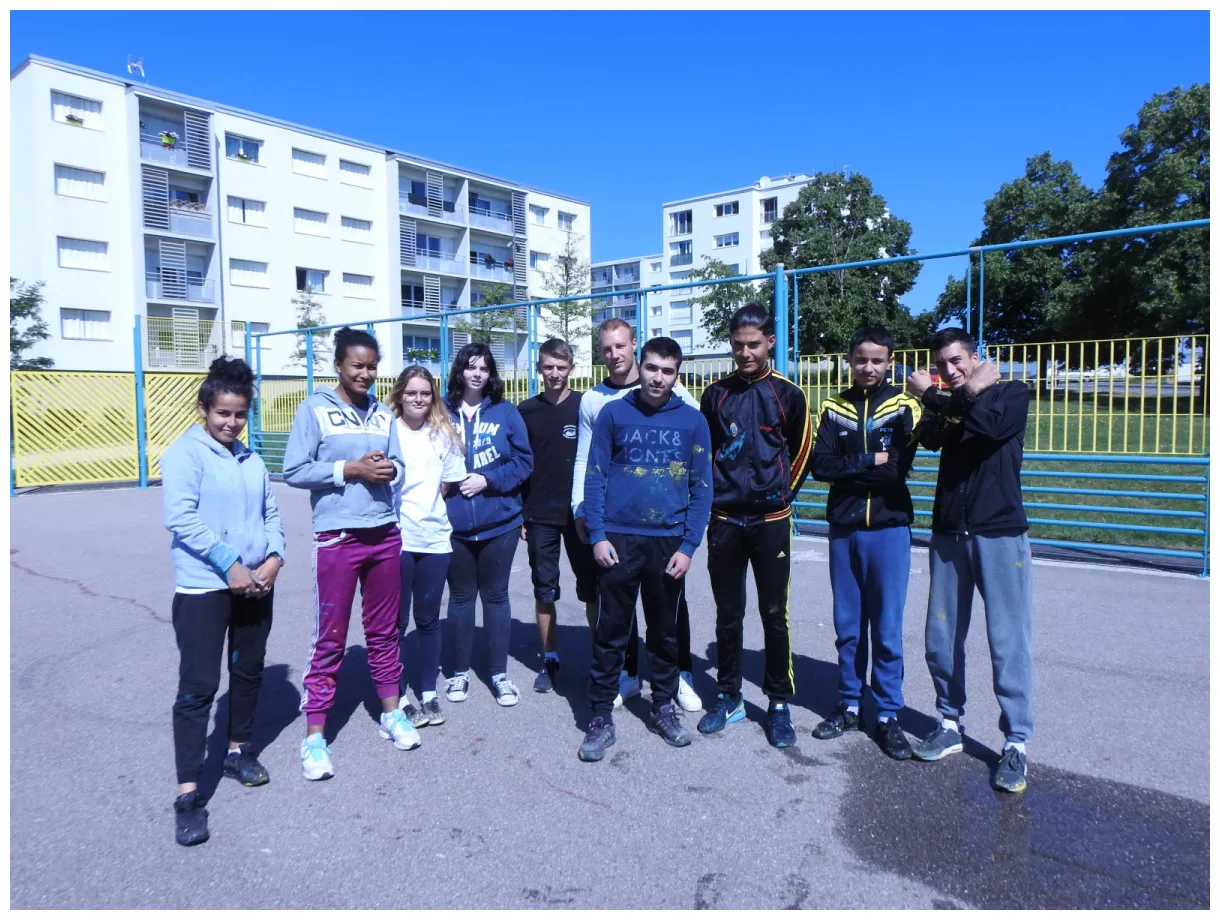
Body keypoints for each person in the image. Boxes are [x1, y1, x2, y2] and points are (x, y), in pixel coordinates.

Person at [284, 327, 419, 781]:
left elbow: (398, 466)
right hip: (338, 537)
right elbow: (294, 470)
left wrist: (387, 469)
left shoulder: (383, 414)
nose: (366, 374)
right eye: (357, 366)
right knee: (331, 639)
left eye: (372, 367)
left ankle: (391, 712)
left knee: (384, 632)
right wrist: (351, 468)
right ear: (338, 365)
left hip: (384, 535)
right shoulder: (314, 409)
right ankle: (315, 737)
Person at [161, 356, 285, 846]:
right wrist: (229, 564)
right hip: (205, 587)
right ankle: (189, 794)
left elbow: (271, 512)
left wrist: (275, 556)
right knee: (198, 687)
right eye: (223, 414)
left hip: (256, 583)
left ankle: (237, 752)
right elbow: (181, 518)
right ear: (204, 410)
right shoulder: (185, 454)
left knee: (249, 671)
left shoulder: (250, 458)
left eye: (239, 414)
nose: (231, 423)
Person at [904, 327, 1034, 793]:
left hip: (999, 531)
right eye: (941, 365)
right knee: (940, 636)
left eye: (958, 361)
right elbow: (932, 438)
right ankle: (949, 722)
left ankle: (1016, 743)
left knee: (1006, 640)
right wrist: (953, 399)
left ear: (976, 358)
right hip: (949, 534)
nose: (950, 371)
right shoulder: (956, 400)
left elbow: (989, 427)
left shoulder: (1011, 393)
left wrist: (946, 396)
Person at [578, 337, 713, 762]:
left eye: (667, 371)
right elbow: (595, 474)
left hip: (668, 543)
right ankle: (600, 717)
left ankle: (664, 706)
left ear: (677, 374)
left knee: (665, 633)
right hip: (617, 540)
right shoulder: (614, 413)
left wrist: (689, 545)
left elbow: (701, 488)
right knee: (611, 633)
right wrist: (597, 535)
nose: (658, 378)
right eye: (652, 368)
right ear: (641, 366)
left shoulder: (692, 421)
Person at [696, 303, 813, 749]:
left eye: (753, 345)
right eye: (738, 346)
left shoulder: (789, 394)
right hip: (725, 520)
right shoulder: (715, 394)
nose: (745, 353)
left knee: (773, 614)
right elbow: (703, 453)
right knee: (728, 613)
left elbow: (801, 450)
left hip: (770, 520)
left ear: (769, 342)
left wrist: (782, 497)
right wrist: (711, 500)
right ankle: (729, 695)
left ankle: (778, 703)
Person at [809, 324, 921, 759]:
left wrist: (851, 465)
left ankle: (889, 714)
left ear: (890, 362)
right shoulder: (832, 407)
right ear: (849, 360)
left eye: (877, 360)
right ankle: (850, 704)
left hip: (890, 528)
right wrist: (870, 458)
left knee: (888, 630)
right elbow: (821, 466)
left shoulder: (905, 406)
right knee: (848, 627)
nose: (868, 367)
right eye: (861, 359)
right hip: (844, 528)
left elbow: (895, 471)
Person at [442, 342, 534, 707]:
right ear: (460, 371)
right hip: (453, 526)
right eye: (471, 367)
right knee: (461, 599)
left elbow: (524, 462)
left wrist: (488, 479)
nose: (477, 373)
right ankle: (460, 672)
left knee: (496, 597)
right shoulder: (441, 412)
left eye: (484, 368)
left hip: (500, 523)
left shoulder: (506, 412)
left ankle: (499, 673)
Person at [388, 365, 467, 728]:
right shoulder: (387, 431)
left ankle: (429, 692)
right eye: (411, 393)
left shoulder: (443, 434)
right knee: (397, 621)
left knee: (429, 620)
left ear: (432, 397)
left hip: (435, 540)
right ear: (400, 395)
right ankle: (399, 693)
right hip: (398, 540)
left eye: (425, 393)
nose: (418, 399)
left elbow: (448, 483)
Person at [517, 338, 597, 693]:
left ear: (571, 369)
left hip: (579, 514)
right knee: (545, 589)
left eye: (560, 367)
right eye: (548, 367)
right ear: (539, 368)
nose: (554, 374)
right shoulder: (526, 411)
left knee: (592, 588)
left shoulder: (585, 406)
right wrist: (520, 512)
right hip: (539, 515)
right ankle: (550, 659)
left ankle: (601, 658)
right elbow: (519, 465)